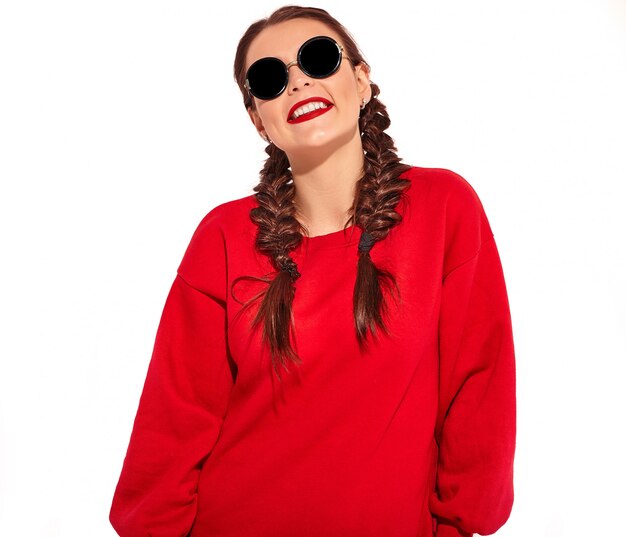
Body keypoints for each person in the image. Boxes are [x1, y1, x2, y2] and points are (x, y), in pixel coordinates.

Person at [109, 5, 516, 537]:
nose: (298, 82)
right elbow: (174, 420)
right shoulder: (224, 237)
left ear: (362, 80)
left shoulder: (444, 208)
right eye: (270, 79)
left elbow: (480, 386)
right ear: (259, 118)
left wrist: (460, 526)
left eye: (318, 59)